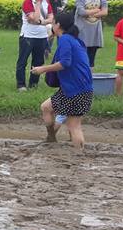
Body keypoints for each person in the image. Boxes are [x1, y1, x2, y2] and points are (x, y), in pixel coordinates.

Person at [31, 12, 94, 150]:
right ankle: (51, 138)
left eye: (53, 23)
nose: (51, 25)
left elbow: (65, 63)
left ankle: (79, 155)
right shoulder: (74, 39)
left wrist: (43, 69)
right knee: (46, 107)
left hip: (75, 90)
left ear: (58, 25)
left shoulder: (65, 39)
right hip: (77, 88)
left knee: (74, 126)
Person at [17, 0, 55, 90]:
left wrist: (41, 22)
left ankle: (33, 84)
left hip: (42, 36)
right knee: (23, 61)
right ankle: (21, 84)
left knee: (38, 61)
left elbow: (51, 18)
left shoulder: (46, 2)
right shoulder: (28, 2)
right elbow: (34, 18)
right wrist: (37, 3)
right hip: (28, 36)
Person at [74, 0, 108, 68]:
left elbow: (105, 12)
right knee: (81, 58)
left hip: (95, 30)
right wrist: (97, 10)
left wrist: (90, 12)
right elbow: (81, 12)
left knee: (91, 59)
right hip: (82, 30)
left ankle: (89, 78)